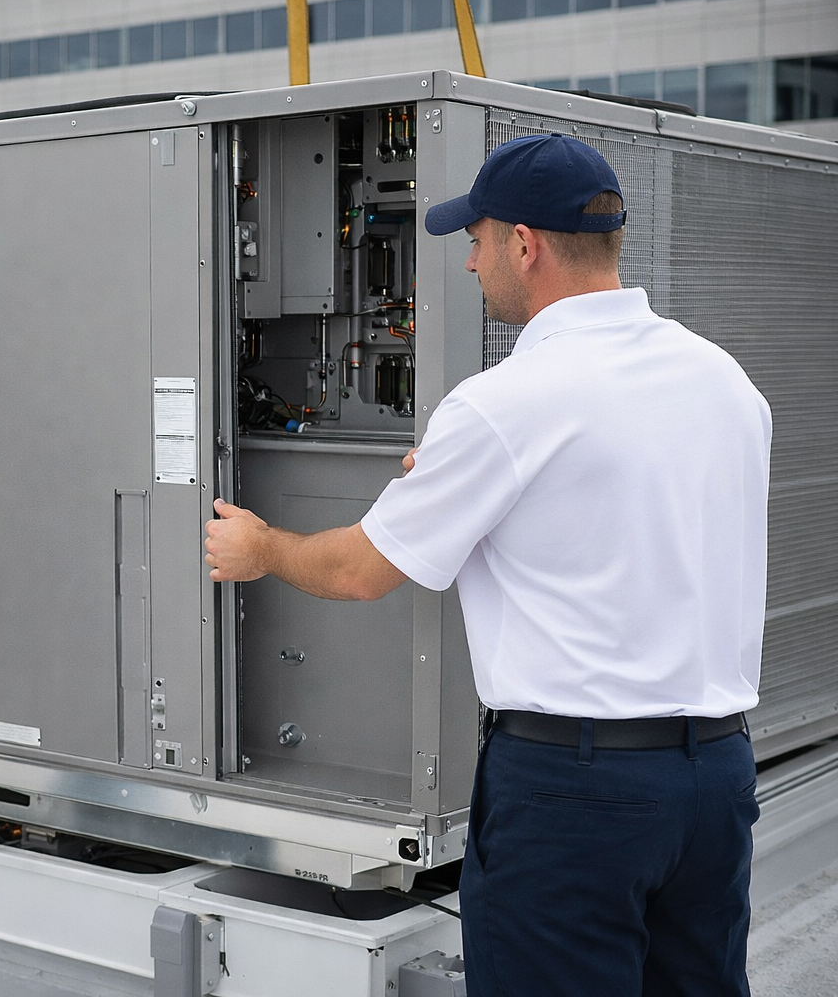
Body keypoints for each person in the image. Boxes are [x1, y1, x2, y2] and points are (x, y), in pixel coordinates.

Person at [205, 134, 770, 996]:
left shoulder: (506, 401)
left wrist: (261, 548)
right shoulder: (725, 381)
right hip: (716, 782)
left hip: (575, 794)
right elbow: (619, 514)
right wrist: (468, 485)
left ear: (525, 244)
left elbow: (362, 570)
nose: (468, 264)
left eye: (475, 240)